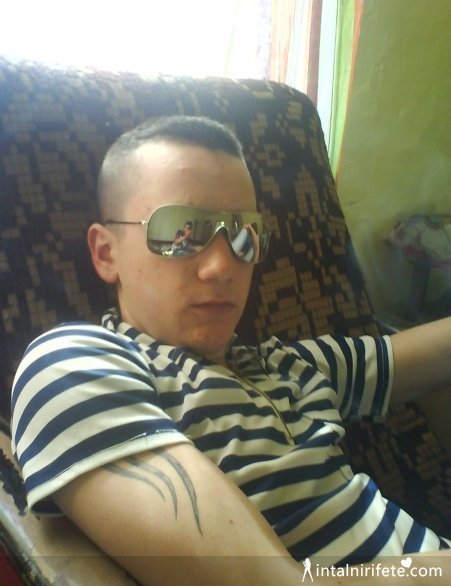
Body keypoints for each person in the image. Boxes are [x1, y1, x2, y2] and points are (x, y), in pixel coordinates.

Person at [10, 115, 451, 586]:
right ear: (105, 253)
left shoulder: (289, 366)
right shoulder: (74, 364)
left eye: (244, 235)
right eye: (181, 231)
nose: (223, 266)